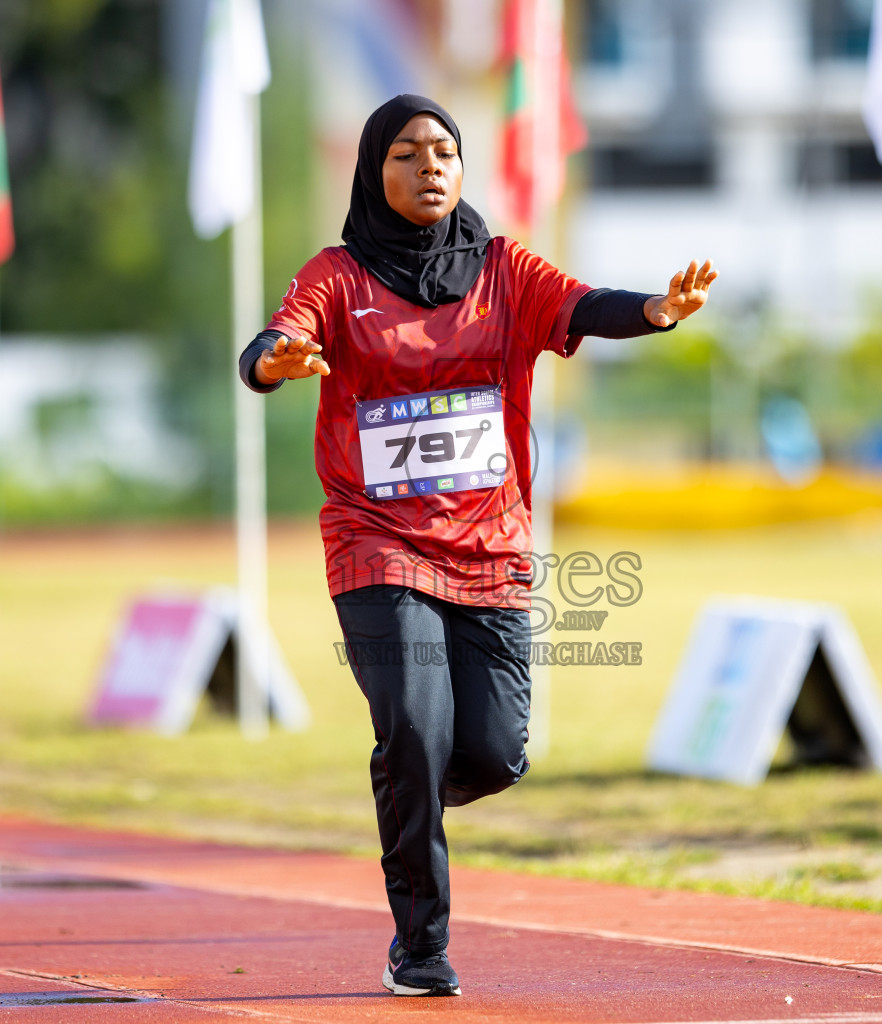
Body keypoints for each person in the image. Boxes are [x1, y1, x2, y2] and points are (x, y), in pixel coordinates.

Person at [238, 94, 717, 996]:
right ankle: (420, 944)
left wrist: (654, 309)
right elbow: (274, 342)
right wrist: (278, 360)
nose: (429, 167)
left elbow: (583, 306)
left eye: (445, 152)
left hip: (488, 549)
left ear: (463, 170)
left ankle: (407, 788)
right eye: (407, 154)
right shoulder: (337, 276)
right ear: (373, 172)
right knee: (416, 725)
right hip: (374, 541)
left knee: (492, 755)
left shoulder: (504, 270)